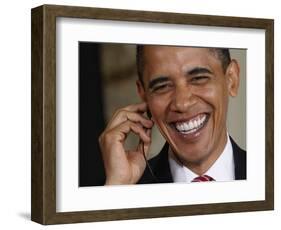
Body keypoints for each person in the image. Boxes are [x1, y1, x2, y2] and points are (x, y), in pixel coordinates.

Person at [98, 45, 246, 185]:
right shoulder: (127, 188)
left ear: (231, 80)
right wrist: (117, 187)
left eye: (198, 78)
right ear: (143, 94)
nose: (182, 104)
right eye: (162, 87)